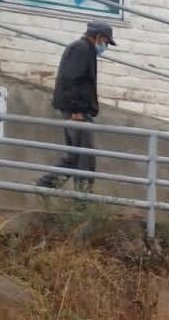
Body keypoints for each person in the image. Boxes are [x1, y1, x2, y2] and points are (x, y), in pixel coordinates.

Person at [37, 21, 117, 192]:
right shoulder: (82, 50)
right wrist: (76, 110)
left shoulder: (82, 49)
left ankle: (46, 185)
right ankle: (83, 199)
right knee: (85, 158)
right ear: (98, 37)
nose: (105, 46)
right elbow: (73, 81)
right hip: (77, 112)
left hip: (76, 109)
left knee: (75, 156)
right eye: (106, 42)